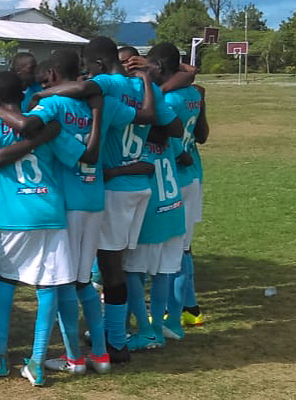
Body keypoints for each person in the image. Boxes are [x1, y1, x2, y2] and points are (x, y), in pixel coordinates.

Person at [27, 36, 182, 363]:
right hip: (139, 184)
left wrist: (42, 94)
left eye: (88, 68)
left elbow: (82, 91)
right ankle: (115, 335)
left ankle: (114, 342)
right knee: (118, 267)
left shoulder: (103, 85)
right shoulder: (138, 88)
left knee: (107, 270)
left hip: (112, 187)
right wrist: (144, 80)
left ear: (95, 65)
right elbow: (154, 118)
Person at [0, 50, 115, 375]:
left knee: (62, 283)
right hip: (94, 198)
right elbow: (141, 118)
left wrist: (8, 105)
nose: (41, 83)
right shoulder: (95, 102)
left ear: (54, 76)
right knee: (83, 280)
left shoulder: (54, 106)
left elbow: (29, 126)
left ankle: (74, 359)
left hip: (66, 203)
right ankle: (99, 355)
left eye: (45, 79)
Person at [0, 71, 85, 387]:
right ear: (24, 94)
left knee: (7, 280)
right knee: (47, 286)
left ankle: (0, 356)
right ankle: (38, 362)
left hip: (14, 214)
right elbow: (75, 155)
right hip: (50, 210)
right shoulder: (40, 121)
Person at [144, 43, 208, 332]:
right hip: (194, 173)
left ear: (159, 65)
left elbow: (172, 145)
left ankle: (173, 312)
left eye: (149, 66)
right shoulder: (194, 93)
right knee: (184, 247)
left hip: (176, 177)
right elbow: (203, 134)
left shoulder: (167, 102)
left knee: (173, 251)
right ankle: (190, 309)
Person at [123, 126, 186, 351]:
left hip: (150, 216)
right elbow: (184, 156)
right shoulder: (169, 138)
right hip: (174, 212)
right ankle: (157, 327)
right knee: (163, 274)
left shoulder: (135, 145)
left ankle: (146, 330)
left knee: (131, 272)